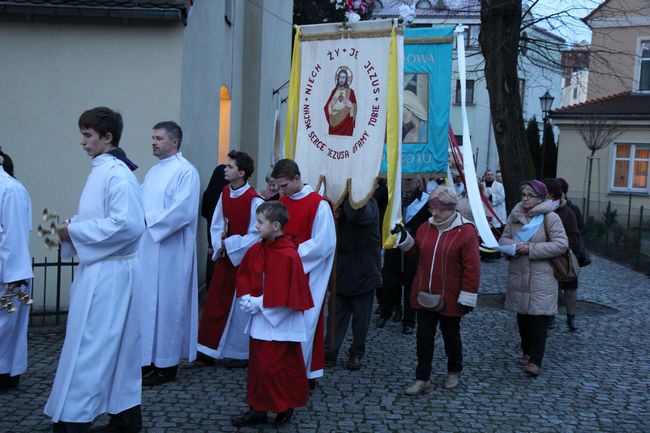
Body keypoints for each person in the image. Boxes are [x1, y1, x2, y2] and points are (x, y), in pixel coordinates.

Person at [44, 107, 145, 432]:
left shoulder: (117, 174)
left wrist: (73, 233)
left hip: (110, 277)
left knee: (93, 346)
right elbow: (101, 218)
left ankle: (74, 419)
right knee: (109, 346)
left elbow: (128, 226)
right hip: (102, 272)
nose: (82, 141)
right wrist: (71, 227)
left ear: (107, 137)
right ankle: (125, 417)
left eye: (88, 135)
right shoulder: (103, 170)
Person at [231, 201, 314, 427]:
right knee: (258, 367)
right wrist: (247, 297)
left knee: (276, 368)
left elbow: (290, 291)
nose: (256, 226)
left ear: (276, 225)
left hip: (280, 321)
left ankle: (283, 406)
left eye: (260, 222)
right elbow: (246, 274)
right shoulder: (258, 249)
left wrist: (261, 303)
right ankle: (257, 408)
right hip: (260, 319)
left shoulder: (289, 255)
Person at [395, 187, 480, 394]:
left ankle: (454, 370)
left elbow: (472, 267)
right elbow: (418, 253)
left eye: (439, 210)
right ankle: (422, 378)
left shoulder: (466, 231)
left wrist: (467, 296)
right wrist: (405, 240)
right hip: (425, 291)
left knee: (451, 335)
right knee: (423, 337)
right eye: (432, 208)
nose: (434, 213)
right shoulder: (426, 227)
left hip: (451, 295)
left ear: (451, 209)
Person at [139, 121, 200, 386]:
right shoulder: (152, 172)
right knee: (147, 306)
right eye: (152, 137)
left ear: (174, 142)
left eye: (159, 138)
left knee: (167, 306)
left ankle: (166, 365)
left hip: (172, 252)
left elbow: (184, 211)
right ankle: (147, 361)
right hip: (148, 249)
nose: (153, 142)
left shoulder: (186, 172)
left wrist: (147, 220)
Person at [271, 159, 336, 384]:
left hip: (308, 275)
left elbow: (325, 242)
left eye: (284, 186)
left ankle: (303, 373)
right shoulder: (283, 202)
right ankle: (283, 371)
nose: (281, 191)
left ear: (297, 179)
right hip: (281, 273)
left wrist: (292, 254)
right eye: (278, 187)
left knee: (305, 324)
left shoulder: (319, 204)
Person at [197, 150, 263, 366]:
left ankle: (237, 353)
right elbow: (216, 223)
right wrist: (218, 244)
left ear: (242, 173)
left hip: (243, 261)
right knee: (216, 301)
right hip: (226, 258)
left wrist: (232, 245)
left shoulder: (254, 200)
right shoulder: (225, 192)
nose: (225, 169)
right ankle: (207, 347)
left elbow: (257, 234)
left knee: (238, 308)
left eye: (230, 167)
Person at [499, 180, 568, 377]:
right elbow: (503, 239)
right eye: (524, 194)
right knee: (523, 316)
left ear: (541, 198)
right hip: (519, 274)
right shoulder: (516, 215)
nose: (525, 198)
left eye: (530, 195)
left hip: (542, 276)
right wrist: (513, 246)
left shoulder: (550, 218)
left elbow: (561, 244)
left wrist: (531, 249)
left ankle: (536, 360)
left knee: (539, 318)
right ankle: (526, 351)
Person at [324, 196, 382, 370]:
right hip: (341, 269)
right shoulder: (336, 202)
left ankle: (356, 353)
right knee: (336, 315)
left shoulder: (369, 202)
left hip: (364, 270)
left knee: (361, 319)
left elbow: (359, 214)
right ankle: (330, 351)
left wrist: (343, 205)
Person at [377, 177, 429, 334]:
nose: (407, 183)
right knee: (389, 282)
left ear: (419, 181)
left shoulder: (425, 201)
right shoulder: (392, 197)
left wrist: (411, 231)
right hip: (393, 247)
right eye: (404, 180)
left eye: (410, 180)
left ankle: (409, 320)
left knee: (410, 286)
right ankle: (386, 312)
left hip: (412, 248)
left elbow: (426, 224)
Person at [0, 150, 33, 391]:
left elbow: (16, 233)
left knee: (6, 326)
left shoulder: (9, 189)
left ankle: (6, 373)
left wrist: (16, 274)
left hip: (8, 272)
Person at [543, 178, 580, 332]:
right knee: (551, 288)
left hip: (565, 256)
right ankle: (550, 316)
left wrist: (562, 247)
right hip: (547, 255)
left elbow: (575, 234)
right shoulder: (542, 211)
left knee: (570, 288)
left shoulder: (568, 211)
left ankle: (571, 318)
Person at [201, 164, 228, 286]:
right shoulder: (225, 195)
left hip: (209, 233)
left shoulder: (209, 193)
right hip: (223, 234)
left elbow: (204, 212)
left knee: (211, 260)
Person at [324, 68, 356, 136]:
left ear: (346, 79)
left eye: (344, 77)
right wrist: (331, 104)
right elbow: (326, 107)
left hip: (345, 124)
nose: (342, 79)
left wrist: (349, 104)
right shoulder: (334, 91)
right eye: (340, 77)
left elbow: (354, 107)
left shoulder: (350, 92)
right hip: (333, 123)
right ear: (338, 78)